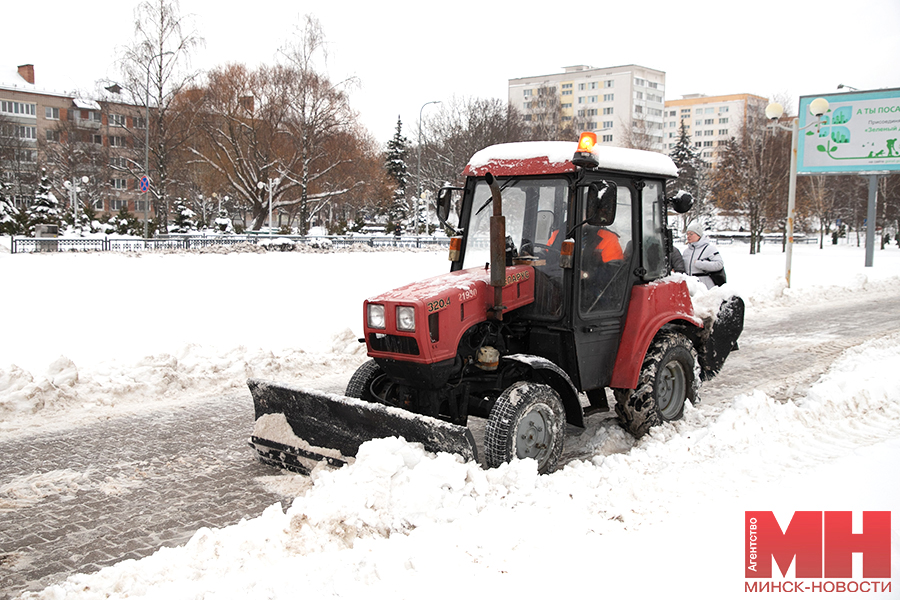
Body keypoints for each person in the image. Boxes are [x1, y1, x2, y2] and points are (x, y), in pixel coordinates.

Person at [682, 220, 724, 289]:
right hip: (691, 287)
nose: (688, 236)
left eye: (691, 234)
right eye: (687, 234)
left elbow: (719, 264)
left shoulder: (709, 249)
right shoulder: (686, 252)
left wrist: (700, 264)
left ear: (699, 235)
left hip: (706, 287)